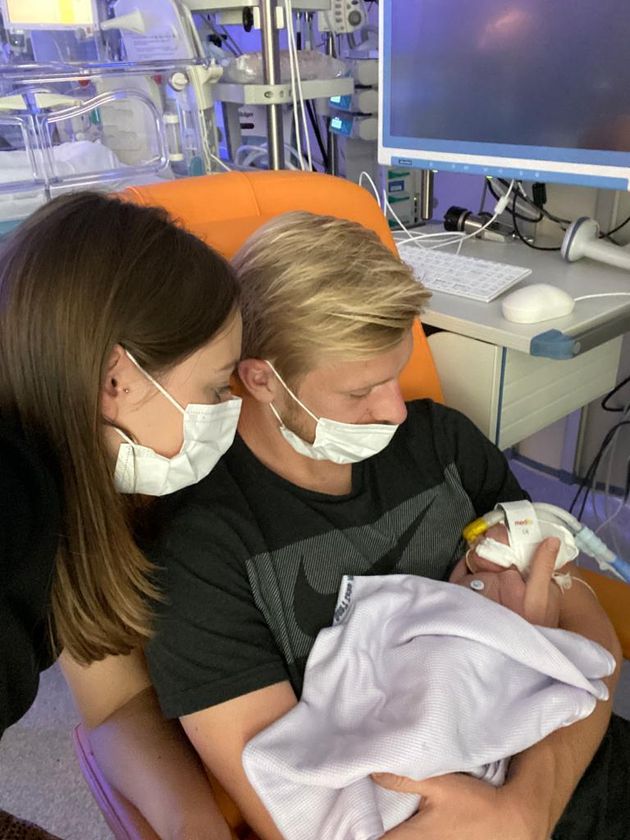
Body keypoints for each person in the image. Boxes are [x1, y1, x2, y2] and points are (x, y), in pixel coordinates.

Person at [143, 209, 628, 840]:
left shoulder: (443, 443)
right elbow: (293, 799)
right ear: (262, 379)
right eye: (359, 393)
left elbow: (590, 635)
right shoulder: (201, 549)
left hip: (574, 764)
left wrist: (528, 808)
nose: (396, 410)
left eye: (397, 372)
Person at [0, 191, 243, 840]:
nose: (228, 408)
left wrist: (194, 826)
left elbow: (114, 699)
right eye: (216, 388)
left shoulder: (66, 490)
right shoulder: (15, 512)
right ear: (118, 379)